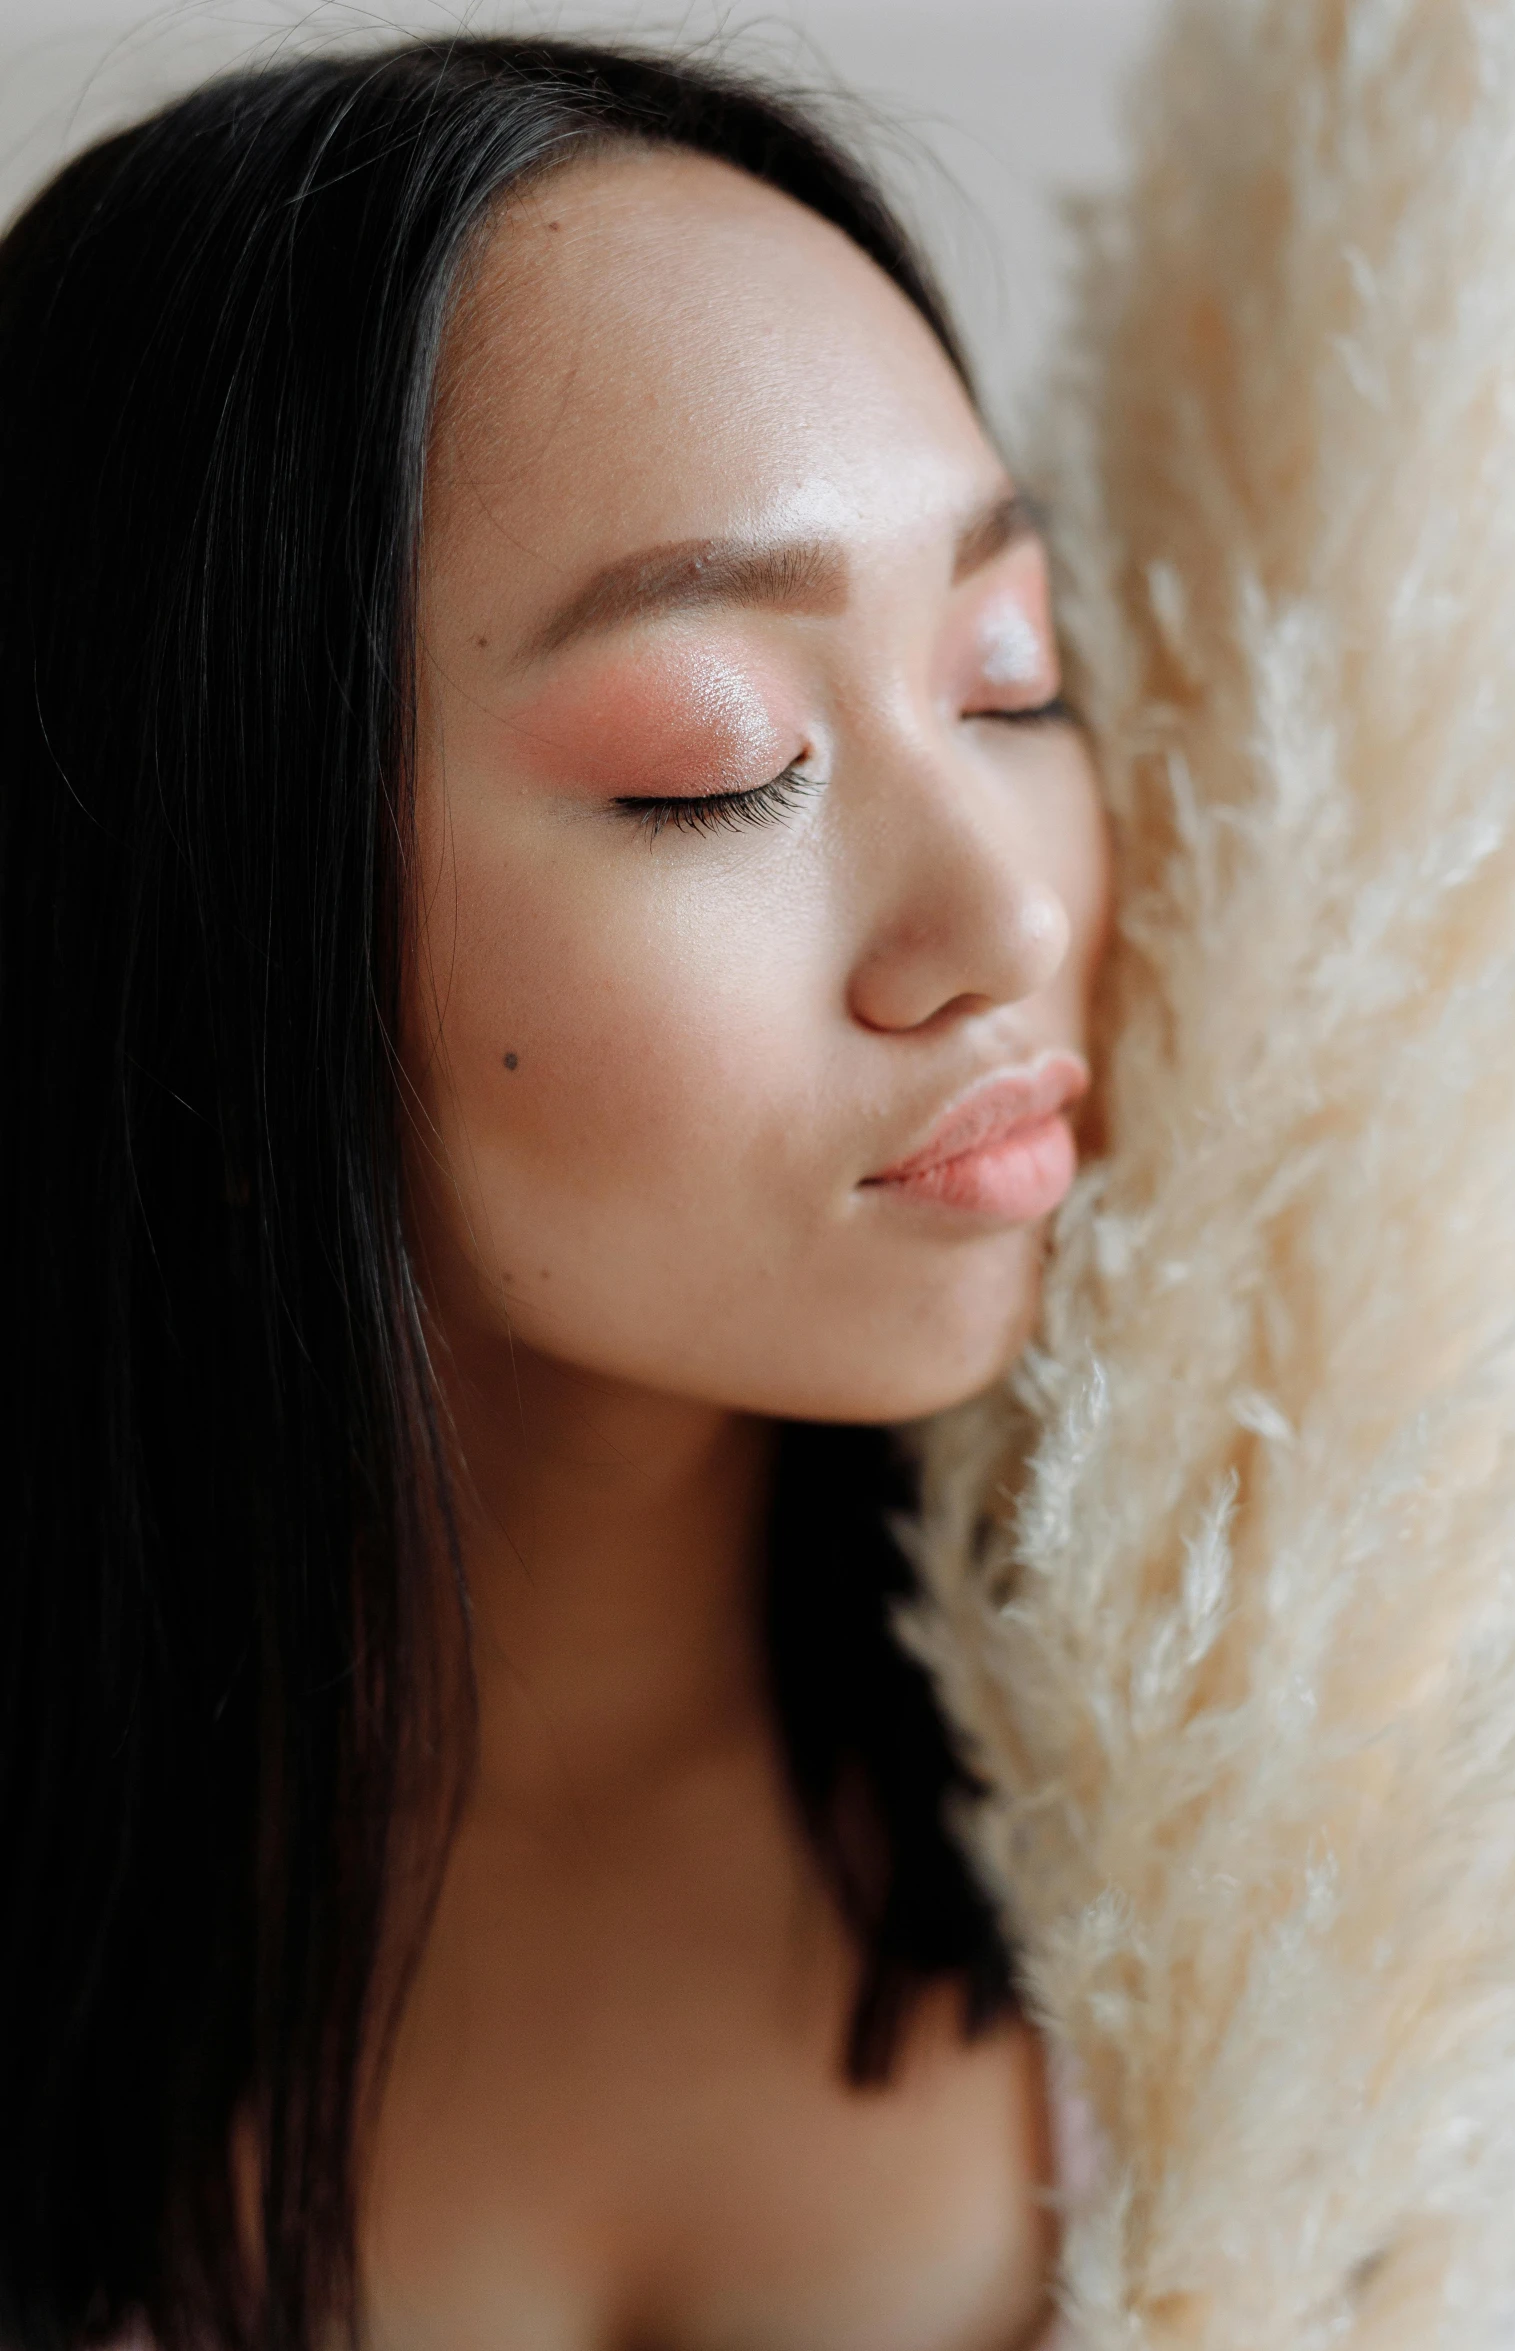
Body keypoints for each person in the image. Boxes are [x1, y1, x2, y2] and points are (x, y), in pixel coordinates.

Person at [0, 37, 1108, 2351]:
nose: (1002, 916)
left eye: (1008, 679)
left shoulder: (1327, 1772)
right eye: (725, 766)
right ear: (202, 931)